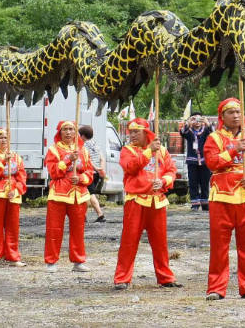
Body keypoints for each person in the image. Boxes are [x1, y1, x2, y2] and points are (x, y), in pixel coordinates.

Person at [203, 98, 245, 300]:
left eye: (239, 112)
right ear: (222, 117)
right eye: (231, 112)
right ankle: (216, 287)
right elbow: (212, 163)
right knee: (219, 246)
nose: (236, 116)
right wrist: (233, 149)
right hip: (222, 197)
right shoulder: (214, 138)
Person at [113, 118, 182, 290]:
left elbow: (171, 171)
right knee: (129, 241)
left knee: (160, 242)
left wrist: (164, 181)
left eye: (137, 131)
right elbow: (130, 167)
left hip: (157, 201)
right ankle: (122, 278)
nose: (133, 135)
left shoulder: (162, 150)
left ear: (146, 132)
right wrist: (148, 152)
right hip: (135, 200)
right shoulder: (127, 150)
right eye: (131, 132)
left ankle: (165, 277)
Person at [45, 120, 94, 273]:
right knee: (54, 229)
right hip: (59, 194)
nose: (68, 132)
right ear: (59, 132)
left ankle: (78, 261)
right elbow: (53, 172)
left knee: (78, 229)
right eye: (65, 129)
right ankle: (51, 262)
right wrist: (67, 160)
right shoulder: (53, 150)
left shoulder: (83, 150)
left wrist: (81, 179)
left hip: (78, 195)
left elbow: (89, 172)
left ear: (75, 133)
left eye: (71, 129)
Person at [0, 128, 27, 268]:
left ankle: (13, 256)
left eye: (6, 137)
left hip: (12, 194)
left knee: (13, 227)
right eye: (0, 138)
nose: (4, 140)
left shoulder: (16, 157)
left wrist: (16, 190)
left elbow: (22, 177)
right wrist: (3, 161)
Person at [180, 112, 212, 211]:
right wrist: (188, 123)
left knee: (205, 183)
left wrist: (208, 123)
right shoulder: (189, 131)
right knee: (193, 182)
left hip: (204, 161)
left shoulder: (206, 130)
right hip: (192, 161)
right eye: (194, 119)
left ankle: (205, 203)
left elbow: (214, 135)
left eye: (199, 119)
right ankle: (195, 204)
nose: (197, 122)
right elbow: (182, 132)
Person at [79, 124, 106, 223]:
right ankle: (83, 216)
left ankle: (100, 214)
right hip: (96, 173)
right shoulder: (95, 144)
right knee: (85, 193)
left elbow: (88, 160)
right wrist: (101, 169)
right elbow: (102, 158)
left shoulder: (83, 145)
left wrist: (95, 168)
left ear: (82, 135)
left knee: (90, 194)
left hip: (89, 173)